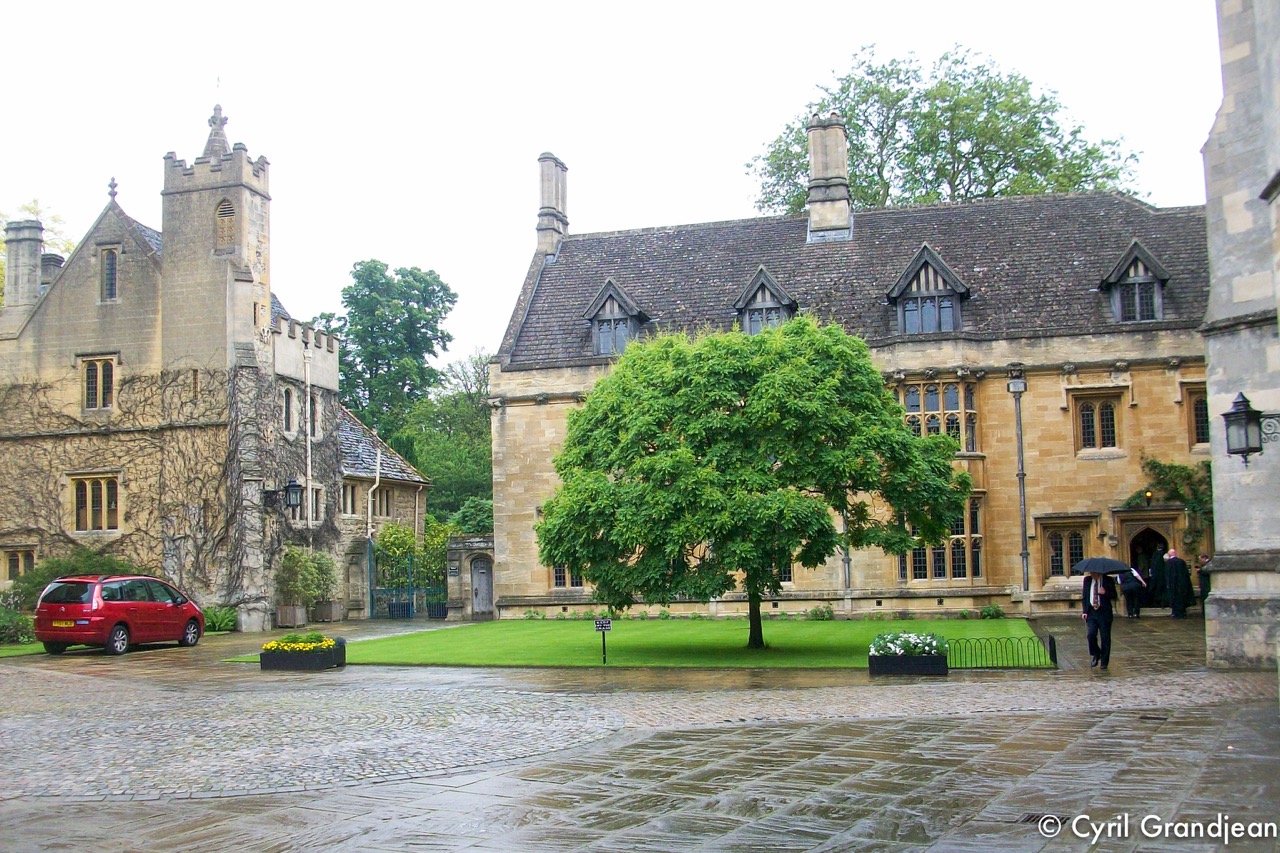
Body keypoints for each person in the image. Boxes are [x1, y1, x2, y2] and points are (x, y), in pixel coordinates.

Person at [1081, 571, 1118, 669]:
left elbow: (1115, 595)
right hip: (1092, 612)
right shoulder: (1087, 580)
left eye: (1094, 573)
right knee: (1091, 635)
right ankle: (1096, 653)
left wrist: (1105, 593)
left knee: (1105, 638)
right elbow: (1085, 596)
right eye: (1091, 573)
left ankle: (1104, 663)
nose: (1092, 575)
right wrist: (1084, 611)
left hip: (1104, 612)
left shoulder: (1108, 580)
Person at [1165, 549, 1194, 618]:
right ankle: (1182, 612)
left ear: (1169, 554)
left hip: (1173, 585)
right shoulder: (1181, 561)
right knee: (1181, 598)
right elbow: (1186, 574)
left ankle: (1176, 613)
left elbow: (1168, 575)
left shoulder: (1169, 563)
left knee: (1175, 598)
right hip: (1182, 584)